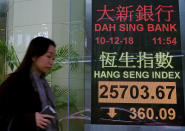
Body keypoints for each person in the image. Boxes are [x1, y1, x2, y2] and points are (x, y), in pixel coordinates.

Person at [0, 37, 59, 131]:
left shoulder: (43, 84)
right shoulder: (15, 81)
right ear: (34, 56)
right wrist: (30, 119)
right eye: (48, 56)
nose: (51, 62)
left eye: (53, 58)